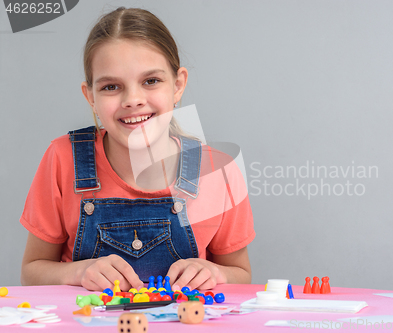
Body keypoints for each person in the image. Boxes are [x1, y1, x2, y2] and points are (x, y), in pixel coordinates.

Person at [20, 7, 255, 292]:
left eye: (151, 81)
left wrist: (215, 273)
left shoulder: (219, 171)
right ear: (90, 96)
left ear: (178, 85)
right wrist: (79, 271)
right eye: (111, 87)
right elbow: (31, 273)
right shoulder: (62, 159)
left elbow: (241, 274)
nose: (133, 99)